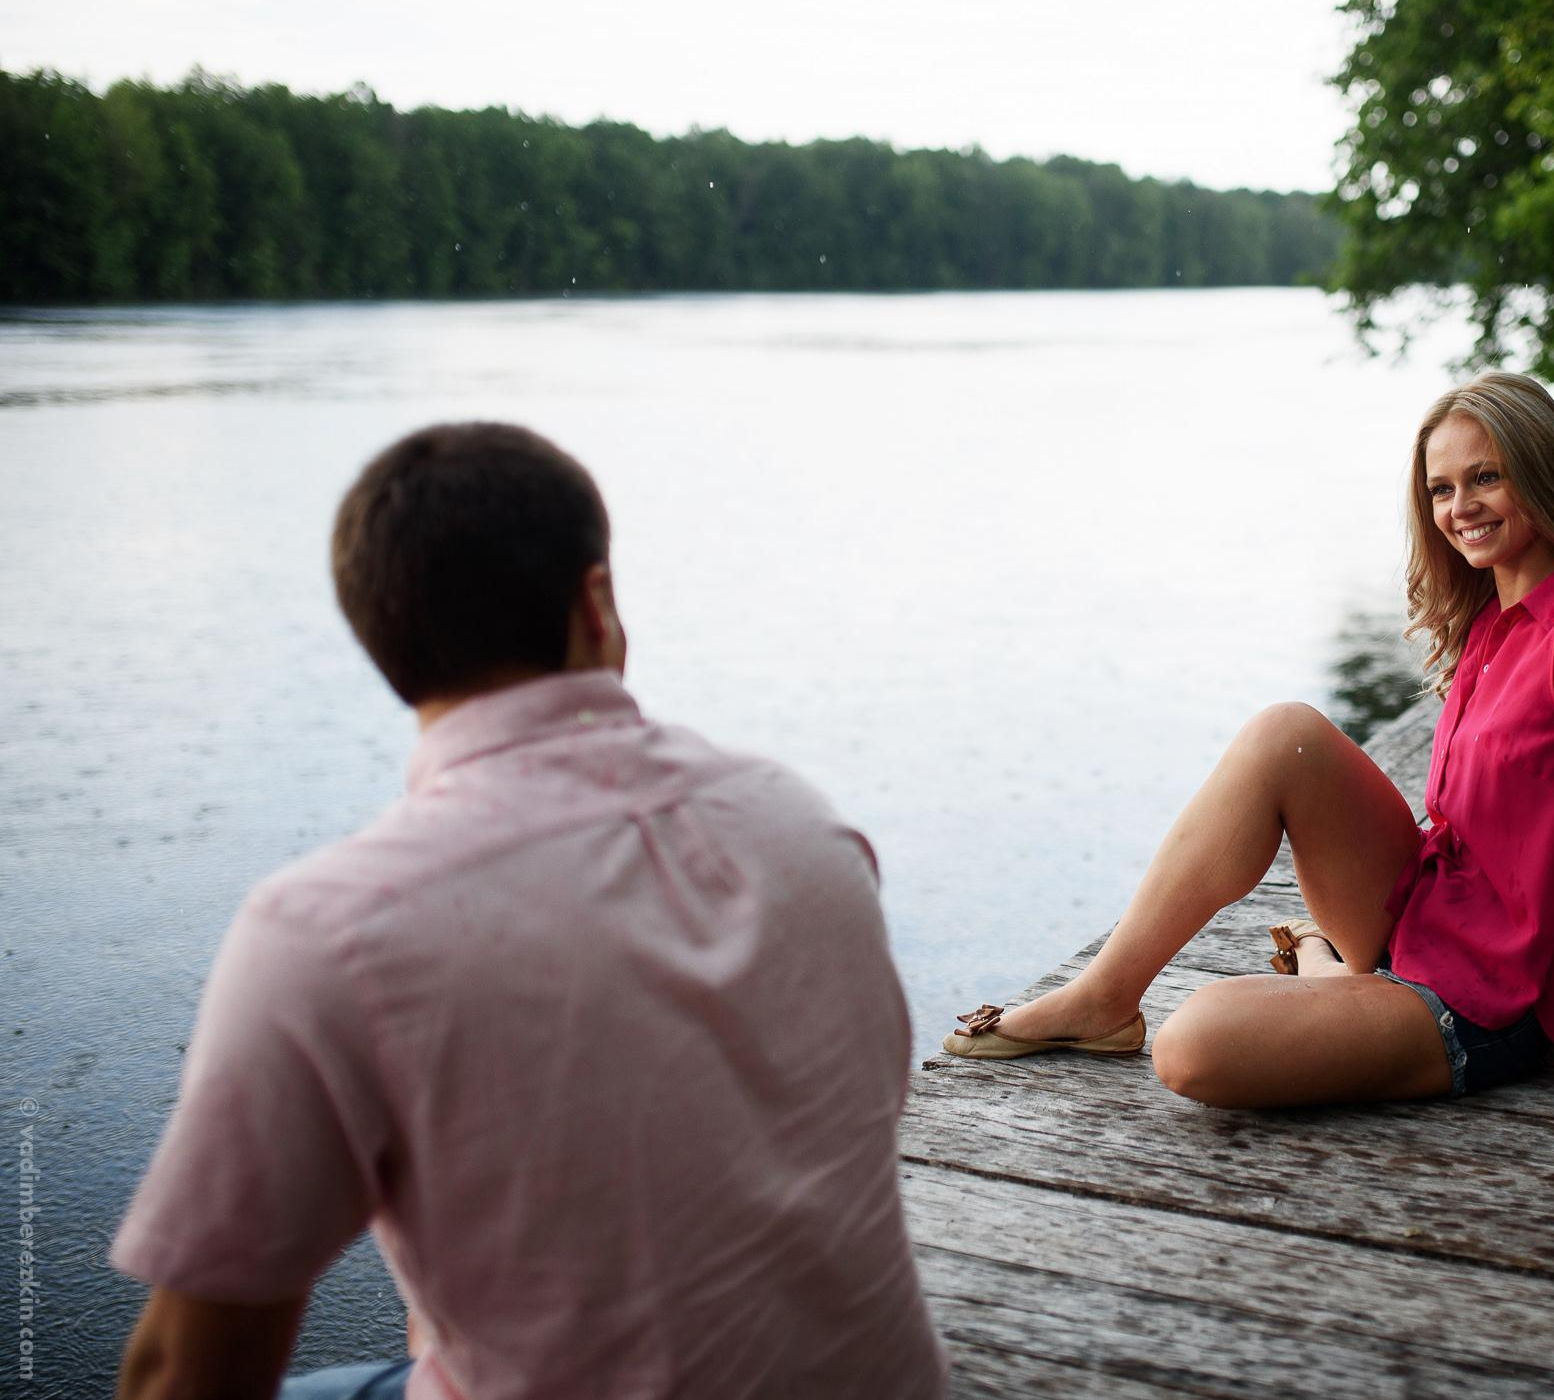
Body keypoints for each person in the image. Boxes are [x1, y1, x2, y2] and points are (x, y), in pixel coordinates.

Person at [110, 423, 945, 1400]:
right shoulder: (800, 822)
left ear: (383, 638)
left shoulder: (329, 930)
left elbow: (187, 1373)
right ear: (597, 602)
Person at [943, 373, 1554, 1128]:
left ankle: (1324, 964)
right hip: (1439, 910)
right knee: (1283, 734)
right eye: (1441, 488)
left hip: (1498, 996)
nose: (1460, 506)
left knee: (1191, 1045)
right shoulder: (1493, 617)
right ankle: (1103, 997)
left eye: (1485, 477)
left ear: (1541, 473)